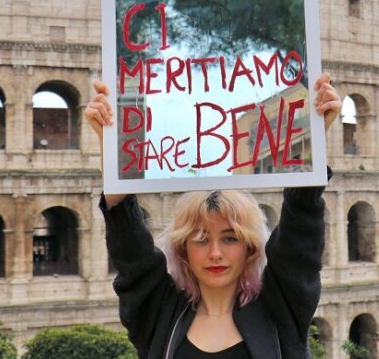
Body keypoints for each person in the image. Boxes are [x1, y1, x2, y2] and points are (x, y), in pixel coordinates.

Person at [84, 73, 341, 359]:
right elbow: (130, 250)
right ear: (183, 250)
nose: (215, 253)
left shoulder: (280, 310)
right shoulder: (160, 314)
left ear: (251, 249)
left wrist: (315, 138)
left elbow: (300, 234)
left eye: (230, 238)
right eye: (201, 239)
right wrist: (111, 145)